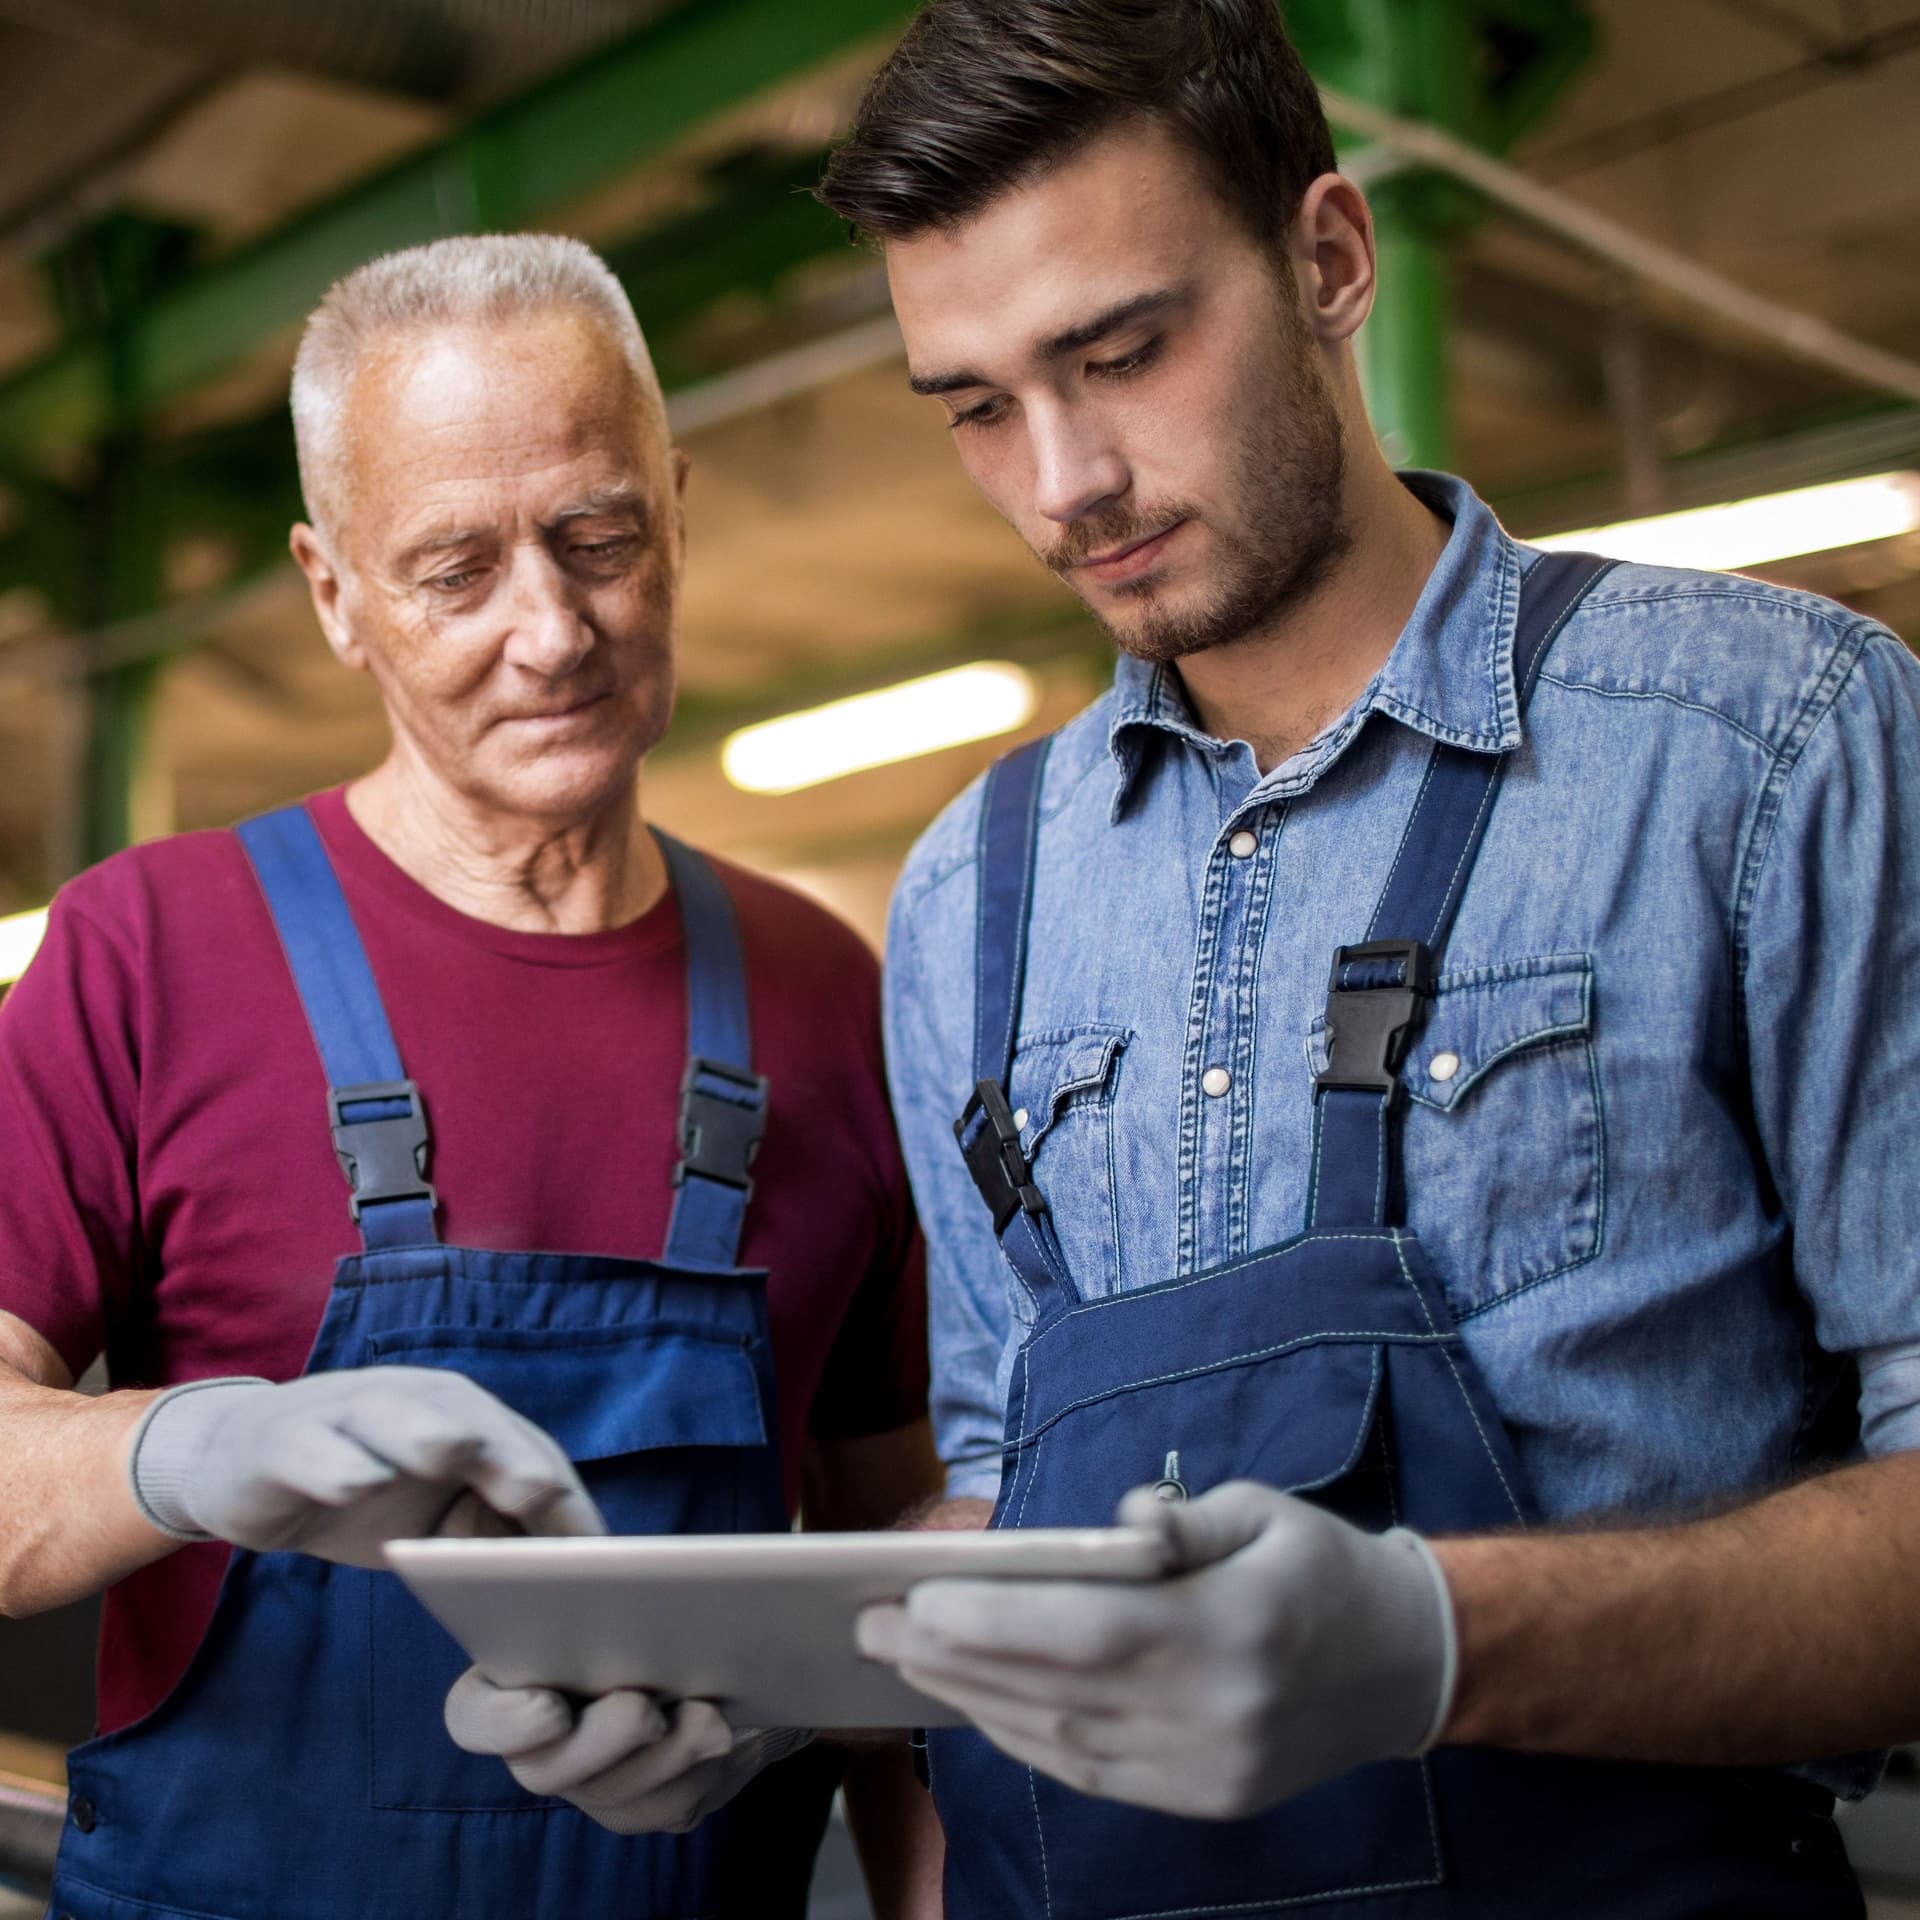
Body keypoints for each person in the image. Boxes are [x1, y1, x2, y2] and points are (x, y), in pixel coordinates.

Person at [813, 2, 1920, 1914]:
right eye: (980, 406)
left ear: (1328, 259)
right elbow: (1009, 1491)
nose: (1064, 480)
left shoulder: (1770, 747)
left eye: (1124, 351)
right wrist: (772, 1693)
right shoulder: (966, 895)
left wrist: (1434, 1638)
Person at [0, 234, 942, 1920]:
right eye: (453, 568)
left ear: (677, 509)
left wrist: (819, 1720)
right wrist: (197, 1450)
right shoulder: (148, 949)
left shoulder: (828, 996)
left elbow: (913, 1577)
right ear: (331, 592)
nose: (552, 628)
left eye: (600, 537)